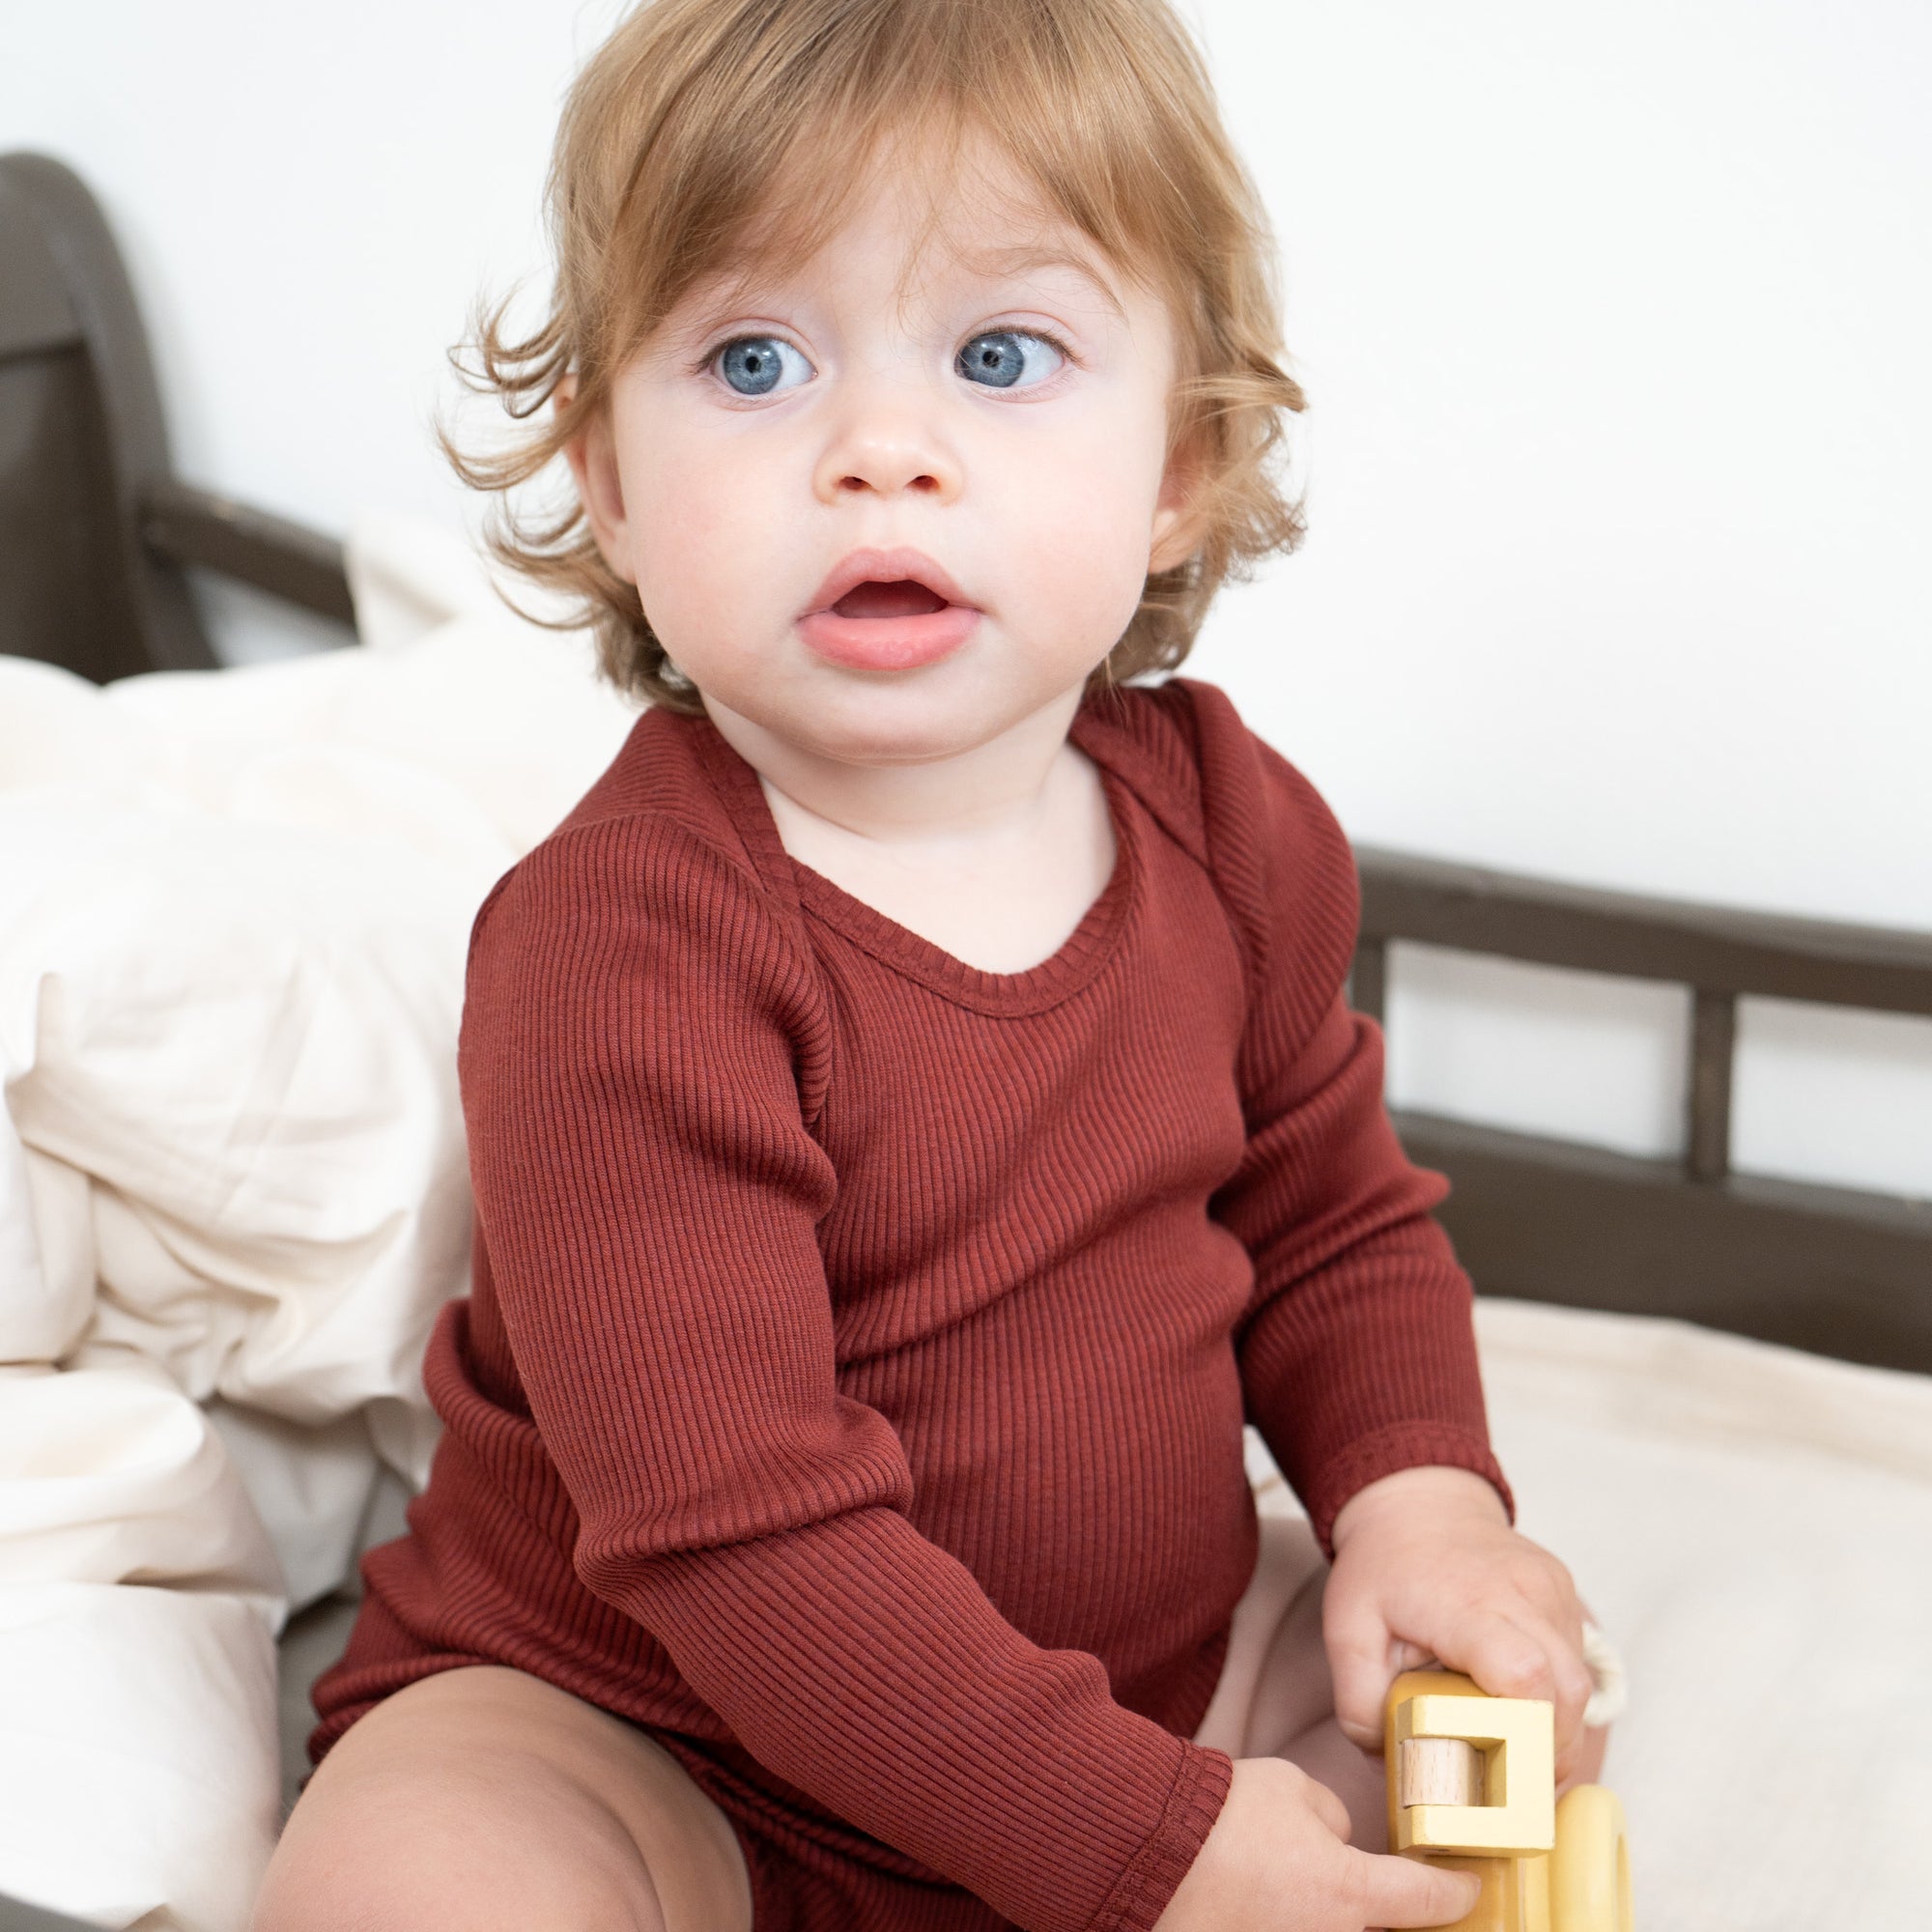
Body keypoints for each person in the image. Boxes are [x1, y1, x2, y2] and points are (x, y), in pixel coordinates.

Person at [253, 2, 1611, 1927]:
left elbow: (1329, 1226)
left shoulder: (1227, 828)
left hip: (1147, 1691)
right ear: (612, 484)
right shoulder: (620, 951)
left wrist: (1420, 1504)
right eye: (753, 361)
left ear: (1177, 465)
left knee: (1486, 1717)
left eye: (998, 357)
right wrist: (1131, 1850)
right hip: (660, 1732)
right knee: (429, 1874)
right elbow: (731, 1535)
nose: (881, 453)